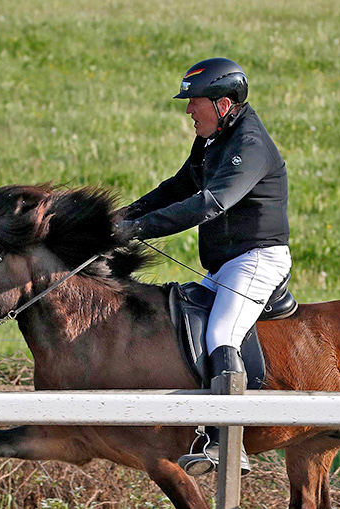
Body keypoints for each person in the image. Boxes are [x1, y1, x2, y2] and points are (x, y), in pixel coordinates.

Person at [118, 57, 292, 477]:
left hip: (257, 260)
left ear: (224, 104)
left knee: (220, 333)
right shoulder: (214, 139)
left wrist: (138, 229)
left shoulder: (248, 145)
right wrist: (122, 219)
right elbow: (179, 186)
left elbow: (209, 204)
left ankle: (226, 440)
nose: (188, 110)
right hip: (226, 266)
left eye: (195, 101)